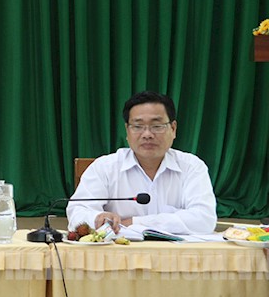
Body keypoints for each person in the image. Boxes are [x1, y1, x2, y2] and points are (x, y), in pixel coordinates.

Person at [66, 91, 217, 235]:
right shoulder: (104, 167)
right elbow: (77, 213)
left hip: (177, 253)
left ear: (173, 129)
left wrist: (134, 223)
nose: (147, 134)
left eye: (157, 126)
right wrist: (97, 218)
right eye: (137, 126)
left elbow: (204, 219)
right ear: (127, 131)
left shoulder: (192, 167)